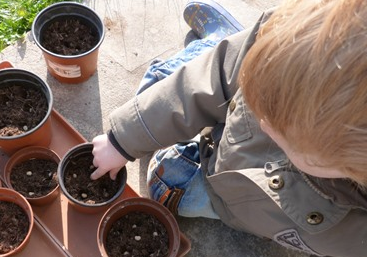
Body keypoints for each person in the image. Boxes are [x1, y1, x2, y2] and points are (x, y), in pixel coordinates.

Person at [91, 0, 367, 256]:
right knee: (159, 92)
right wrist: (122, 139)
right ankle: (218, 43)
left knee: (163, 186)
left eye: (285, 137)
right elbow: (215, 77)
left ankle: (217, 42)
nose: (264, 124)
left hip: (236, 209)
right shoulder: (288, 40)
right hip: (225, 146)